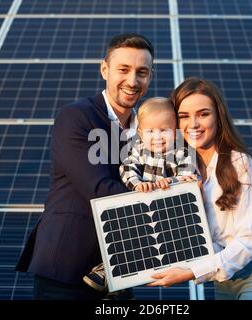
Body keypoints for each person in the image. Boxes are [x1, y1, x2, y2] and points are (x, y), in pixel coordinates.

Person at [15, 33, 155, 300]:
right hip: (67, 269)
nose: (132, 81)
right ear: (105, 69)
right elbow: (99, 188)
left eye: (142, 72)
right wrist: (167, 207)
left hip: (119, 275)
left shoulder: (149, 129)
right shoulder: (77, 117)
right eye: (123, 70)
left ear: (150, 76)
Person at [148, 77, 252, 300]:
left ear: (218, 117)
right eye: (183, 116)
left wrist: (190, 272)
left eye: (203, 114)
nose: (193, 124)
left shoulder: (238, 162)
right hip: (222, 283)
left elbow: (249, 241)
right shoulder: (182, 172)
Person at [83, 97, 198, 292]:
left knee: (163, 239)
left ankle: (160, 265)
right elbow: (127, 169)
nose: (158, 136)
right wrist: (136, 184)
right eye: (151, 131)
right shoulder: (138, 150)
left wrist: (171, 182)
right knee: (126, 232)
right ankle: (110, 269)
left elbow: (188, 176)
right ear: (140, 133)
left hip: (168, 207)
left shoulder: (181, 152)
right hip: (141, 203)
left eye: (164, 130)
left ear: (176, 131)